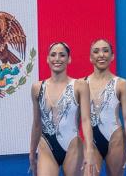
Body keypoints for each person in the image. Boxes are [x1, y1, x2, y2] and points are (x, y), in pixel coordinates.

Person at [29, 42, 97, 176]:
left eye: (62, 55)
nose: (57, 59)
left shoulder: (80, 86)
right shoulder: (37, 88)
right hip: (46, 146)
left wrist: (89, 150)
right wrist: (31, 153)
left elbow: (86, 120)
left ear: (69, 59)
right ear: (47, 59)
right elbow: (37, 124)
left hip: (72, 146)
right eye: (53, 55)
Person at [85, 39, 126, 176]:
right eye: (96, 51)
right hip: (92, 142)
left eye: (105, 51)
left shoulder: (122, 84)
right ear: (90, 58)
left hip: (115, 139)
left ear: (112, 56)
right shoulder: (81, 84)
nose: (101, 55)